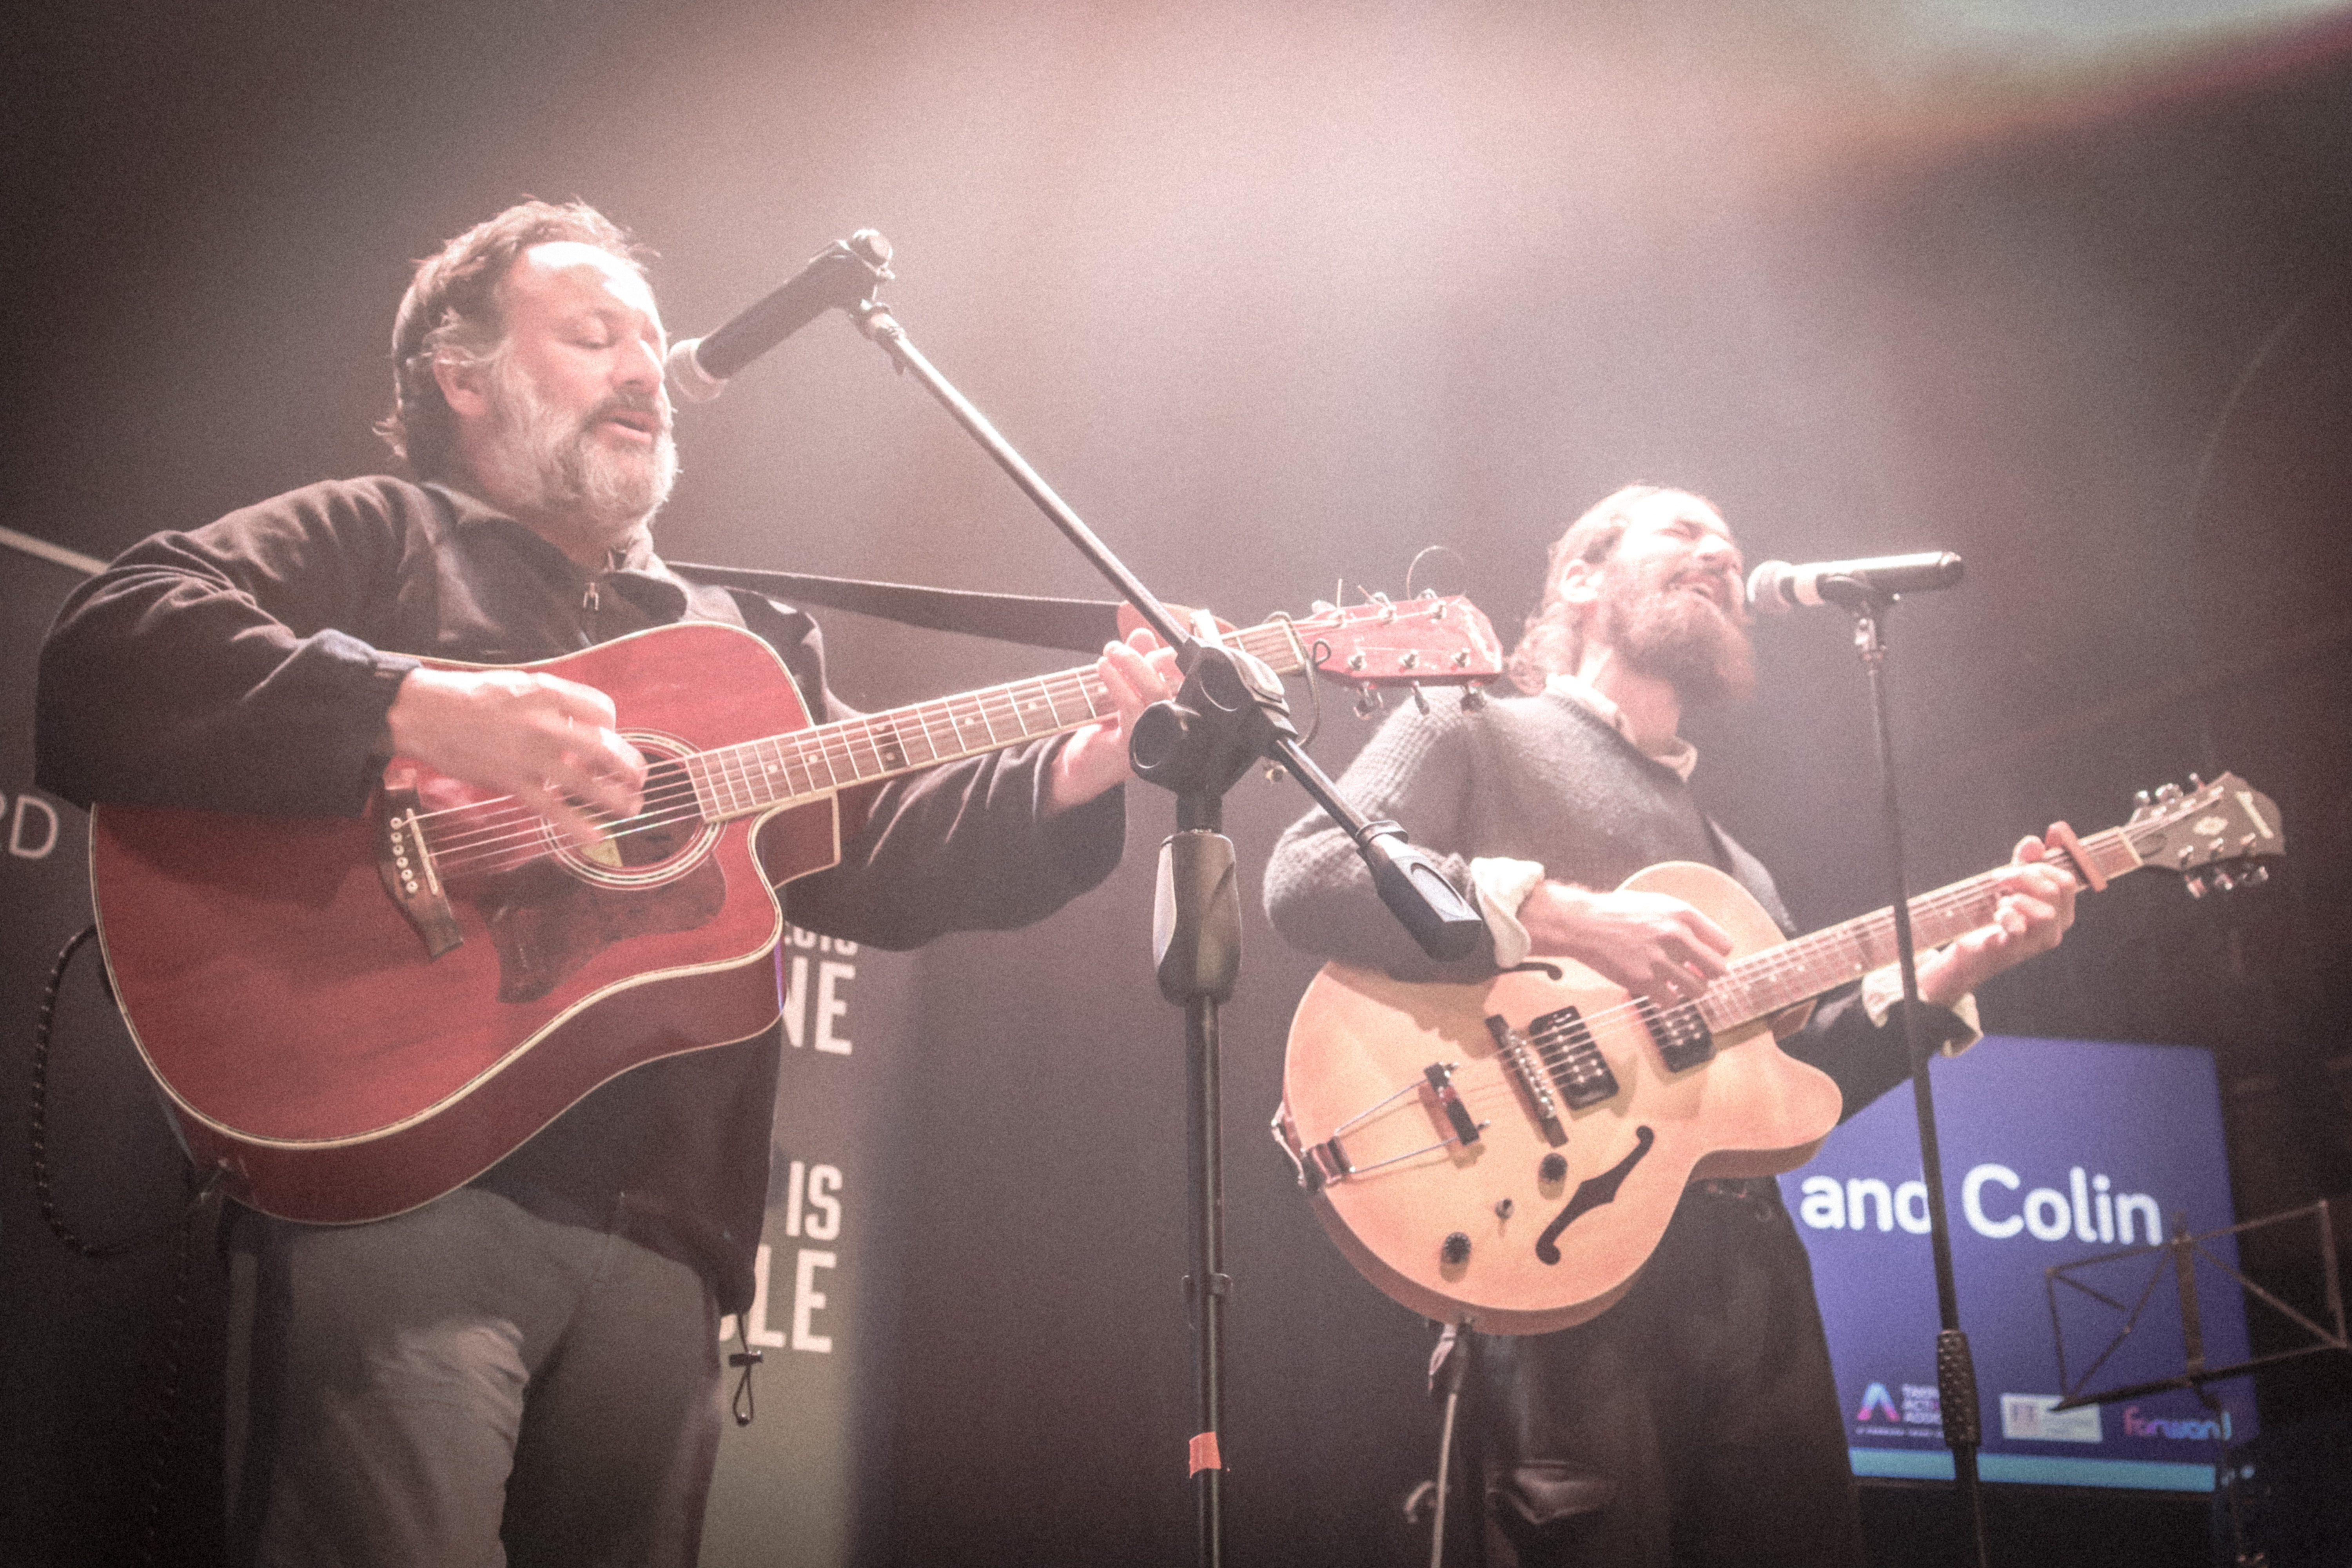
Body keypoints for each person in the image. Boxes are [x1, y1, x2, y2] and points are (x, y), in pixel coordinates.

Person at [34, 200, 1174, 1567]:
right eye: (592, 337)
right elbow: (112, 647)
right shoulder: (381, 534)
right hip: (409, 1192)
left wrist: (1082, 760)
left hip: (665, 1236)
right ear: (463, 379)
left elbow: (872, 846)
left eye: (649, 340)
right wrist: (416, 708)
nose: (647, 369)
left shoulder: (738, 641)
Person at [1263, 484, 2085, 1567]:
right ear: (1580, 578)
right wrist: (1565, 917)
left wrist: (1950, 975)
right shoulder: (1468, 726)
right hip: (1559, 1275)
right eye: (1685, 533)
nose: (1720, 555)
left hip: (1754, 1298)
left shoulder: (1741, 871)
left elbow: (1785, 1092)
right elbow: (1311, 873)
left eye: (1731, 548)